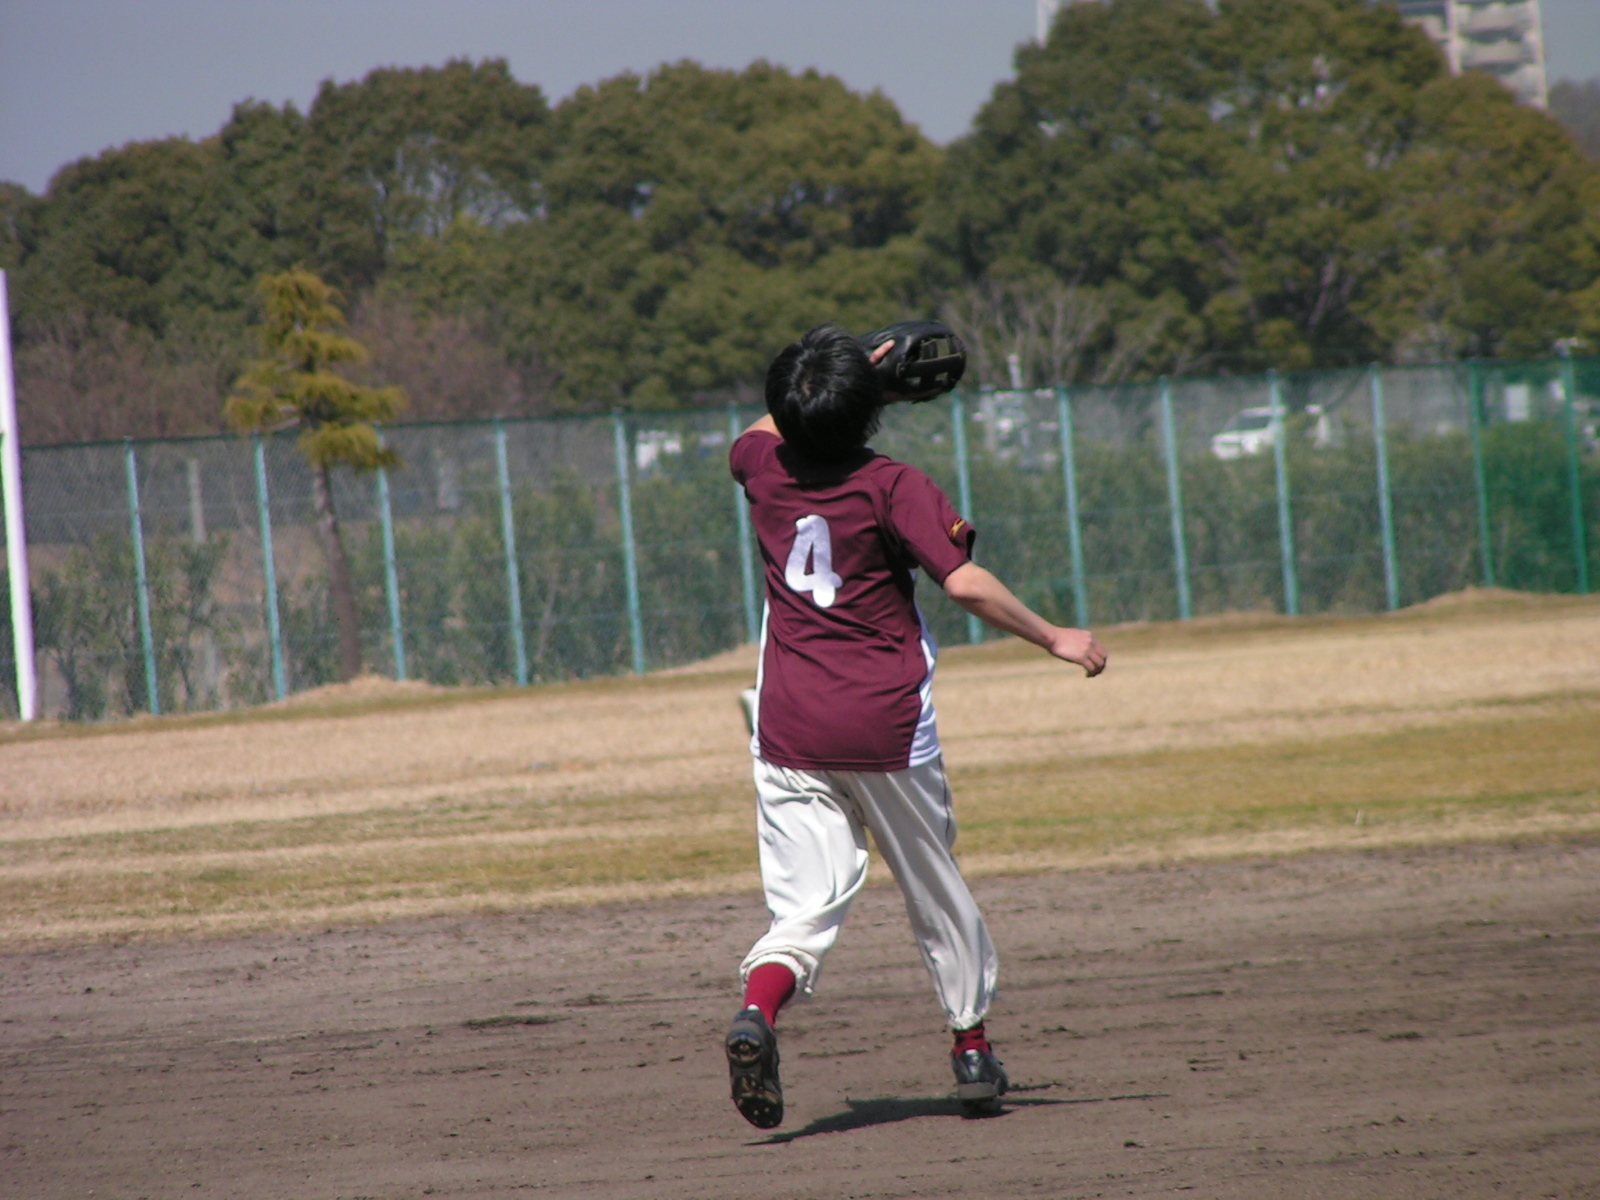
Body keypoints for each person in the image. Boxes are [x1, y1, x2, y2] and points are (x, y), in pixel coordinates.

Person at [724, 323, 1107, 1129]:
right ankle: (971, 1049)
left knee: (808, 901)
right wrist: (1054, 637)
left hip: (789, 727)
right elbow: (962, 583)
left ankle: (758, 1011)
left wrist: (851, 386)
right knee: (935, 885)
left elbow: (762, 428)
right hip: (886, 727)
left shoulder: (763, 468)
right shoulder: (892, 484)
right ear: (867, 412)